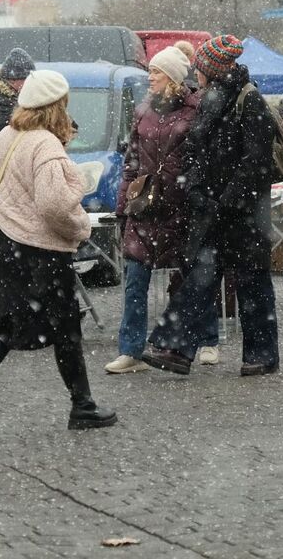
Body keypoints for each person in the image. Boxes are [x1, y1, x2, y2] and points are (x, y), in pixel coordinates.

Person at [0, 70, 117, 437]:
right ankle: (81, 406)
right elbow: (55, 205)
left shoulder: (8, 136)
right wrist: (81, 227)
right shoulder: (46, 146)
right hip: (43, 254)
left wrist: (15, 211)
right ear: (56, 106)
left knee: (3, 326)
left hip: (8, 246)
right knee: (66, 329)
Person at [143, 35, 281, 376]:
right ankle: (176, 350)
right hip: (215, 210)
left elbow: (256, 162)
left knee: (252, 283)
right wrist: (195, 188)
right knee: (199, 278)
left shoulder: (250, 102)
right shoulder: (211, 99)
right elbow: (197, 150)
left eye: (200, 68)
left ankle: (261, 356)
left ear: (212, 70)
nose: (196, 74)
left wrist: (227, 199)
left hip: (245, 214)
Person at [107, 47, 201, 374]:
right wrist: (123, 207)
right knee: (135, 280)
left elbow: (202, 158)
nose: (151, 76)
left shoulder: (196, 110)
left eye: (157, 72)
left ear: (173, 77)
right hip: (144, 207)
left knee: (188, 281)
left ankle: (194, 342)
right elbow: (131, 162)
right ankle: (130, 350)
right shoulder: (143, 111)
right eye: (151, 71)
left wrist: (193, 192)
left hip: (181, 208)